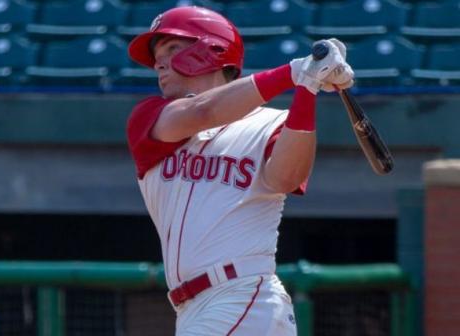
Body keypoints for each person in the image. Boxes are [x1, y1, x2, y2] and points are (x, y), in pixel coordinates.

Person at [125, 6, 354, 336]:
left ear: (213, 51)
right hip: (197, 308)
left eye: (172, 49)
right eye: (157, 55)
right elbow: (204, 111)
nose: (159, 63)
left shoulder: (270, 123)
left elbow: (285, 178)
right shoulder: (150, 117)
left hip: (243, 295)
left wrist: (307, 87)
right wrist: (294, 71)